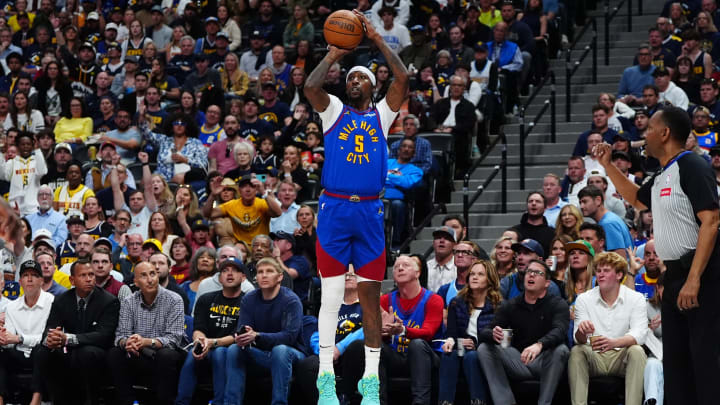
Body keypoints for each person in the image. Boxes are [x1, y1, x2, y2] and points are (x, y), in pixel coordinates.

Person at [303, 9, 409, 404]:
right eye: (352, 78)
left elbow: (403, 79)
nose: (356, 82)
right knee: (331, 296)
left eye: (362, 77)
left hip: (368, 212)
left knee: (369, 297)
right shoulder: (333, 111)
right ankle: (326, 378)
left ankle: (370, 381)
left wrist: (377, 40)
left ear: (371, 84)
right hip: (334, 209)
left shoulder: (382, 115)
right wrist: (333, 55)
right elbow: (311, 88)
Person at [596, 105, 720, 405]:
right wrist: (608, 165)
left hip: (701, 273)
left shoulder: (692, 165)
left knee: (704, 360)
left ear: (664, 133)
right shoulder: (665, 171)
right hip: (675, 274)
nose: (644, 135)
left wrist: (694, 279)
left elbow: (712, 221)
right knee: (676, 360)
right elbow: (636, 199)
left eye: (649, 129)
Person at [340, 255, 443, 405]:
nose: (400, 268)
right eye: (396, 266)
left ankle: (421, 402)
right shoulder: (384, 300)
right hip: (395, 357)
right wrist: (383, 333)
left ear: (417, 273)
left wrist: (402, 330)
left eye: (406, 265)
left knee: (417, 345)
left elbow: (428, 333)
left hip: (425, 358)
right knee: (365, 345)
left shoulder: (433, 299)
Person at [477, 259, 570, 405]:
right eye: (529, 271)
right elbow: (485, 332)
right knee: (484, 348)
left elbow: (560, 331)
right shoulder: (512, 304)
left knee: (561, 349)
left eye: (537, 273)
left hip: (544, 361)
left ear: (547, 283)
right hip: (518, 360)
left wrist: (540, 345)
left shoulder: (557, 304)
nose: (531, 275)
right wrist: (493, 334)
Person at [35, 258, 120, 405]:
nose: (89, 279)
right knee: (42, 350)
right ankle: (50, 399)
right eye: (83, 275)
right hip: (70, 349)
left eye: (91, 275)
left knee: (86, 353)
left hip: (97, 350)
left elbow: (103, 335)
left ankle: (90, 400)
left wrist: (67, 338)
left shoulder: (108, 301)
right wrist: (51, 339)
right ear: (72, 280)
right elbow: (50, 327)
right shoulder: (62, 299)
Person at [569, 252, 648, 405]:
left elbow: (640, 334)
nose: (600, 275)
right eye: (598, 271)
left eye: (606, 271)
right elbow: (578, 339)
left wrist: (614, 343)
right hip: (594, 356)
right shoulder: (584, 299)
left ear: (619, 275)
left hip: (621, 357)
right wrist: (581, 331)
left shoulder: (635, 298)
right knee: (577, 351)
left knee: (637, 351)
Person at [224, 257, 306, 404]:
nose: (264, 275)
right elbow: (242, 329)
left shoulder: (291, 300)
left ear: (280, 277)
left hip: (291, 354)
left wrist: (257, 336)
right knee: (233, 349)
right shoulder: (249, 299)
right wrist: (243, 335)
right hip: (261, 354)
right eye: (260, 272)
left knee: (280, 350)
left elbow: (289, 337)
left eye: (269, 271)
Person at [107, 261, 185, 405]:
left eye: (153, 274)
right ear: (136, 282)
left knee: (166, 355)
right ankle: (128, 402)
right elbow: (121, 336)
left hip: (165, 352)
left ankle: (163, 402)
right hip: (138, 353)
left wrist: (146, 342)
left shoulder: (174, 299)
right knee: (115, 353)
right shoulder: (129, 301)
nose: (150, 279)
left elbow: (174, 339)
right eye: (143, 276)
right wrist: (128, 343)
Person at [175, 257, 245, 405]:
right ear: (219, 278)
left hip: (232, 349)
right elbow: (198, 328)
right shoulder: (206, 299)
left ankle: (219, 402)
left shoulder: (247, 302)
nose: (229, 274)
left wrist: (212, 343)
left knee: (220, 352)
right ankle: (181, 402)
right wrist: (200, 341)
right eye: (225, 270)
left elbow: (238, 335)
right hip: (208, 345)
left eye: (235, 270)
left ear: (243, 277)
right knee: (193, 353)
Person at [438, 259, 501, 405]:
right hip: (461, 349)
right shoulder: (456, 302)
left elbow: (494, 336)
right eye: (472, 274)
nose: (474, 277)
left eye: (480, 274)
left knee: (472, 356)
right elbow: (451, 333)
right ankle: (444, 402)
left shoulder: (498, 306)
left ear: (490, 279)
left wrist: (477, 344)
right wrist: (451, 341)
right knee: (448, 354)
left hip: (485, 352)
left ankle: (478, 401)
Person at [0, 260, 52, 405]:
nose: (29, 279)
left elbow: (48, 338)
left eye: (34, 275)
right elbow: (9, 341)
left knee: (42, 350)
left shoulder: (52, 302)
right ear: (20, 281)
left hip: (44, 353)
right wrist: (3, 339)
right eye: (25, 275)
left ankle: (36, 399)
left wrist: (20, 338)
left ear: (41, 280)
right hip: (19, 353)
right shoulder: (11, 307)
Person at [205, 174, 282, 245]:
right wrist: (212, 195)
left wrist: (263, 192)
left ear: (256, 189)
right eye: (244, 186)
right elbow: (207, 214)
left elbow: (278, 213)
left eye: (251, 186)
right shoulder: (231, 205)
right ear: (239, 190)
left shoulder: (262, 203)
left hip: (260, 245)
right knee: (239, 248)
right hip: (241, 247)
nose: (248, 189)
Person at [0, 131, 47, 215]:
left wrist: (37, 150)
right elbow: (3, 175)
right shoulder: (12, 162)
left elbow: (42, 172)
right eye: (22, 144)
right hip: (15, 207)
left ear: (32, 146)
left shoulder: (36, 160)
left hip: (33, 207)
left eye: (28, 144)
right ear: (17, 146)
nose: (25, 147)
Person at [577, 185, 633, 256]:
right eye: (580, 203)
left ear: (598, 200)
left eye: (585, 202)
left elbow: (619, 259)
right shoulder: (609, 219)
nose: (581, 206)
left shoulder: (608, 223)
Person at [426, 226, 457, 293]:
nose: (442, 241)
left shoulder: (459, 268)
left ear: (454, 245)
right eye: (438, 238)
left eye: (447, 238)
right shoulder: (426, 267)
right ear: (433, 243)